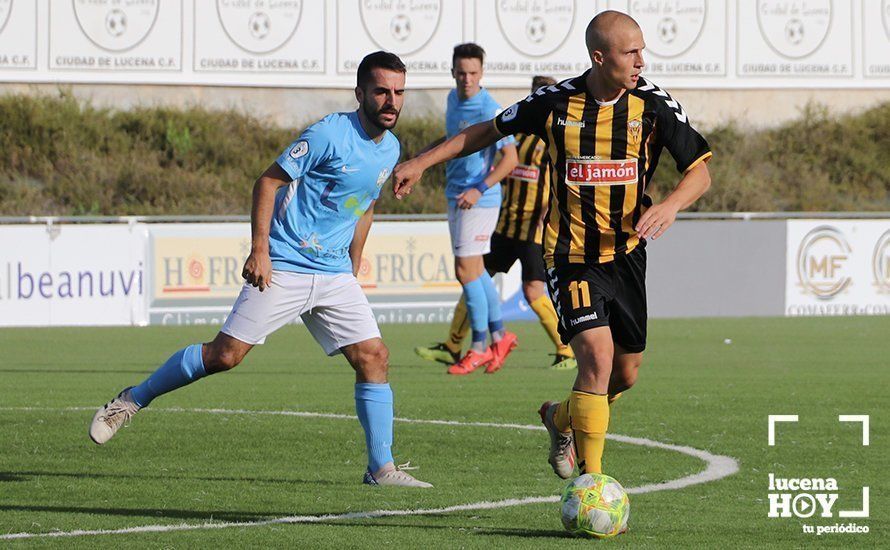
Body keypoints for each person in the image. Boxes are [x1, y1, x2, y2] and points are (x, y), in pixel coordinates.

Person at [392, 11, 712, 482]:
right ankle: (593, 481)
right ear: (599, 57)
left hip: (627, 256)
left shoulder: (654, 104)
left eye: (642, 50)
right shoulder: (556, 102)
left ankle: (559, 418)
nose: (642, 60)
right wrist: (421, 161)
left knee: (625, 374)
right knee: (596, 360)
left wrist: (671, 205)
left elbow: (700, 171)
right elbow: (487, 130)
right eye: (631, 52)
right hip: (570, 256)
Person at [89, 51, 432, 489]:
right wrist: (260, 250)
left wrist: (353, 261)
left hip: (332, 275)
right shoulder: (329, 133)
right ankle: (131, 401)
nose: (392, 101)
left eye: (399, 92)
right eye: (382, 91)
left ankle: (381, 468)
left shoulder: (392, 148)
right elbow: (268, 182)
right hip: (286, 263)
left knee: (374, 356)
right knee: (224, 356)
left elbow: (365, 204)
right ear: (361, 92)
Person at [415, 76, 577, 371]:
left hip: (533, 229)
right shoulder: (516, 132)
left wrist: (552, 210)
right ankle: (454, 344)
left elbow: (564, 178)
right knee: (475, 275)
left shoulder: (555, 137)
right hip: (504, 223)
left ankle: (565, 349)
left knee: (531, 291)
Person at [419, 43, 520, 376]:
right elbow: (451, 142)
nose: (467, 79)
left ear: (482, 73)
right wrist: (421, 160)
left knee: (465, 272)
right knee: (475, 272)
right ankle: (500, 337)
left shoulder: (489, 108)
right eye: (461, 73)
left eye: (473, 73)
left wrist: (479, 189)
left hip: (479, 199)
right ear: (453, 73)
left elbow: (510, 159)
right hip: (456, 195)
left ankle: (478, 347)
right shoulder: (453, 100)